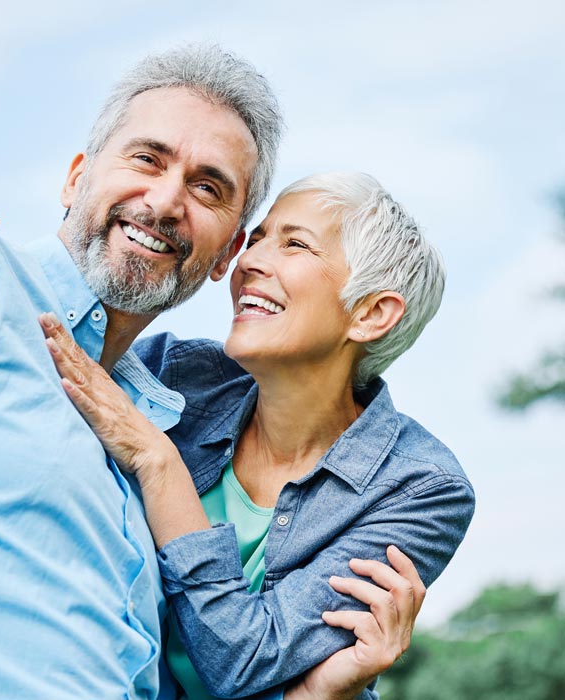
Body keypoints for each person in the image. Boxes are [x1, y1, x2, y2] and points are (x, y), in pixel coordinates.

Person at [0, 44, 423, 700]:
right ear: (76, 179)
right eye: (146, 159)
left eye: (207, 187)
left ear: (226, 256)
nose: (164, 201)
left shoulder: (160, 435)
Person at [37, 172, 476, 699]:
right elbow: (35, 352)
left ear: (371, 313)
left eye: (294, 244)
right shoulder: (175, 373)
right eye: (258, 237)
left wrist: (160, 463)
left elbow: (243, 663)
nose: (248, 262)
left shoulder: (420, 488)